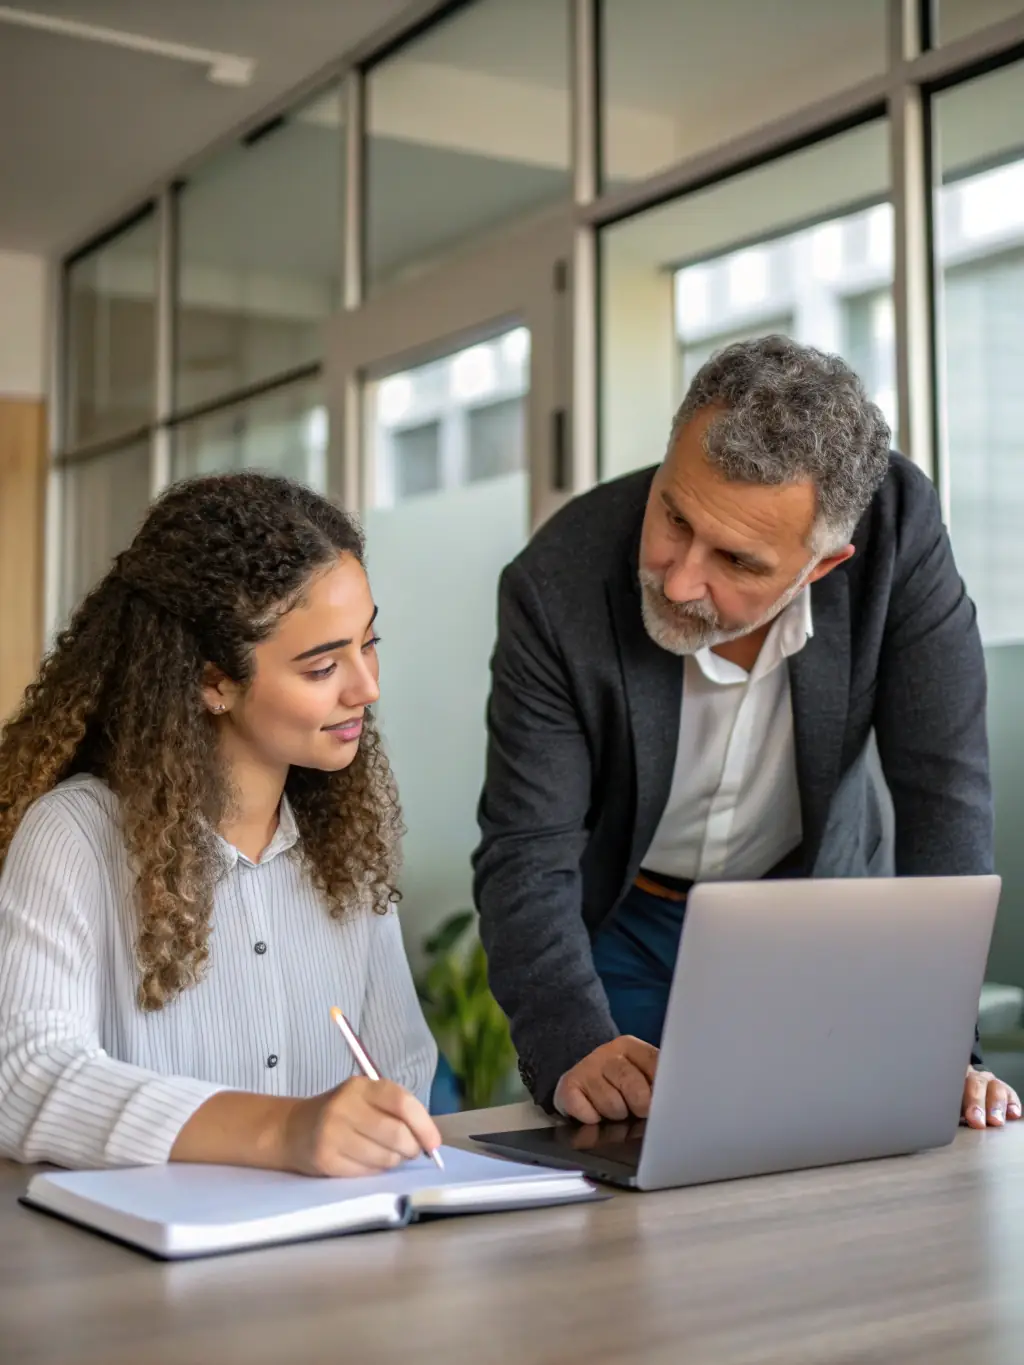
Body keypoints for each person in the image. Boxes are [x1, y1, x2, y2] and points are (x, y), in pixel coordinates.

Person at [474, 335, 1020, 1133]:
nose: (681, 576)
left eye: (736, 559)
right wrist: (572, 1044)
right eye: (674, 515)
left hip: (809, 911)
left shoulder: (896, 531)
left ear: (822, 565)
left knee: (840, 1178)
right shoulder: (555, 585)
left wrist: (950, 1049)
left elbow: (945, 790)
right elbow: (527, 847)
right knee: (632, 1172)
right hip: (629, 915)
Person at [0, 472, 441, 1174]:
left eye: (369, 641)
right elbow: (24, 1077)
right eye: (324, 664)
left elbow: (404, 1064)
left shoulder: (345, 845)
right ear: (213, 681)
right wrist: (285, 1130)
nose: (367, 686)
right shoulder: (75, 838)